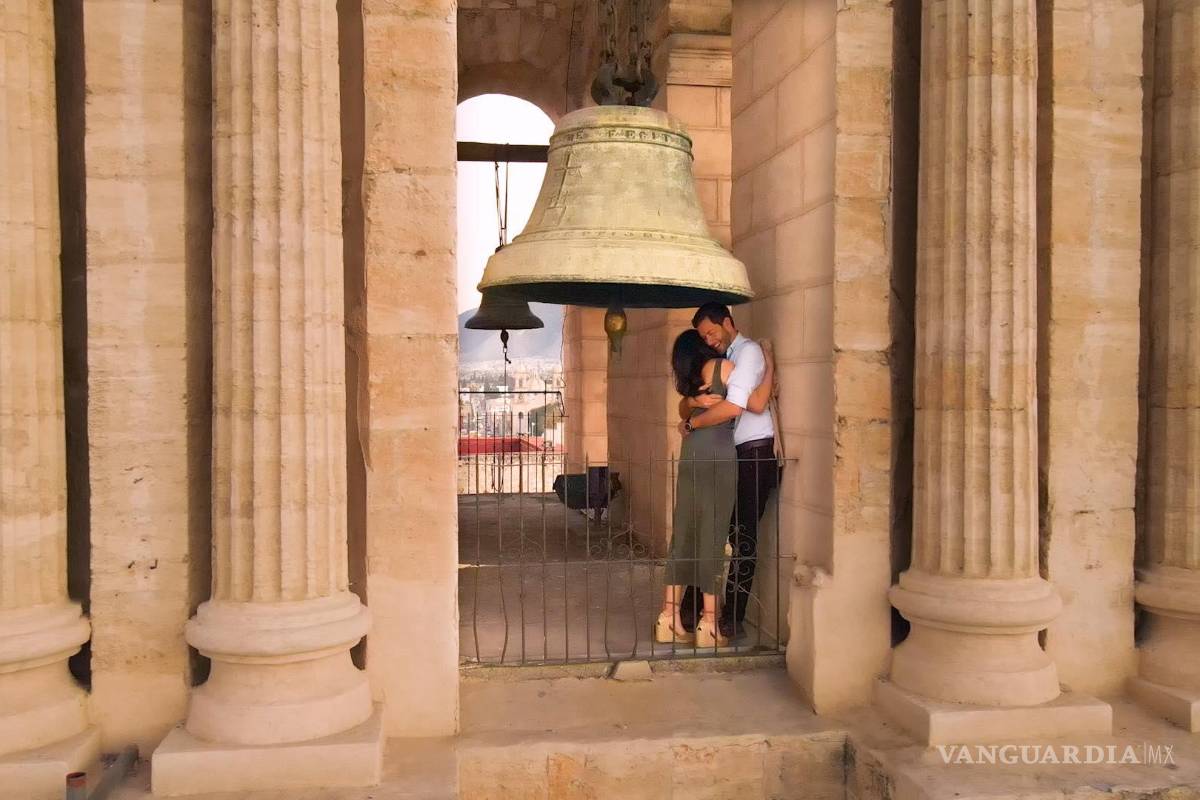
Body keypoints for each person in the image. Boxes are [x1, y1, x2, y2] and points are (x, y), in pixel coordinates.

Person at [657, 328, 774, 648]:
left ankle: (667, 619)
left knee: (683, 533)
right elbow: (755, 403)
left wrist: (693, 404)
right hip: (718, 455)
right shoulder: (725, 368)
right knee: (713, 533)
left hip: (691, 452)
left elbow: (684, 411)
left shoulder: (689, 380)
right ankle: (709, 624)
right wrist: (771, 368)